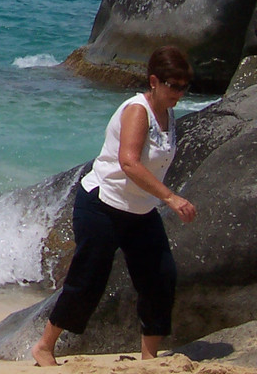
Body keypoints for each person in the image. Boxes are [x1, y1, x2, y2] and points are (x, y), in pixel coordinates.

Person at [31, 46, 198, 366]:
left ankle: (150, 358)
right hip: (102, 205)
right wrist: (171, 198)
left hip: (139, 210)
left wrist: (158, 198)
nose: (179, 92)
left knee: (161, 276)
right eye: (173, 86)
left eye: (184, 86)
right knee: (88, 280)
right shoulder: (137, 111)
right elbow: (129, 163)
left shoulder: (168, 112)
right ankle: (44, 346)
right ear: (154, 81)